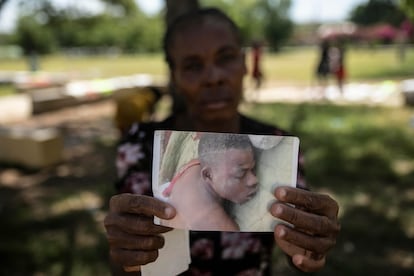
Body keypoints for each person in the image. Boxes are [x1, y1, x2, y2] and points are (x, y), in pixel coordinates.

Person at [104, 7, 340, 275]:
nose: (213, 77)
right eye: (193, 66)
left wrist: (309, 247)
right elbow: (124, 265)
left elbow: (296, 249)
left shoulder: (277, 143)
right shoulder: (140, 145)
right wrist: (125, 252)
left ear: (244, 64)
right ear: (175, 77)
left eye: (226, 58)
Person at [159, 132, 258, 231]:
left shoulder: (195, 164)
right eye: (240, 174)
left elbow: (170, 186)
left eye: (252, 169)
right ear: (208, 175)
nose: (254, 180)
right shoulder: (212, 222)